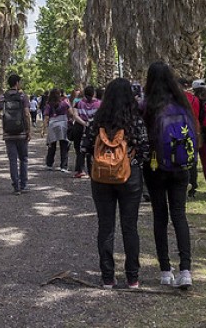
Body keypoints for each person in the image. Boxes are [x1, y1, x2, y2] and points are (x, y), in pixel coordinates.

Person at [80, 78, 149, 289]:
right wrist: (132, 161)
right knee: (130, 226)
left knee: (105, 226)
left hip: (101, 179)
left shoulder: (97, 121)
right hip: (130, 177)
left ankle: (107, 277)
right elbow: (145, 149)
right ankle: (132, 277)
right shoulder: (135, 120)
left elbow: (84, 147)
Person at [146, 63, 201, 289]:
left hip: (155, 167)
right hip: (181, 166)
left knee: (160, 216)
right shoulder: (183, 103)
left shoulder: (148, 105)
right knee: (179, 215)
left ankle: (165, 270)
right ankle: (186, 270)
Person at [1, 74, 32, 194]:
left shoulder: (2, 97)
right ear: (17, 83)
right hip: (22, 132)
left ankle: (16, 186)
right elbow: (27, 113)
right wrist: (29, 130)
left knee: (12, 160)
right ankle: (24, 185)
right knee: (23, 159)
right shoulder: (23, 96)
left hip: (8, 133)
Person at [71, 85, 100, 178]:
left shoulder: (78, 103)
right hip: (93, 128)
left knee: (79, 149)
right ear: (94, 93)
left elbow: (75, 115)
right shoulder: (99, 103)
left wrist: (84, 123)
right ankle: (92, 170)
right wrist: (90, 124)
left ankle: (81, 170)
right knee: (92, 148)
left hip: (79, 127)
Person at [44, 88, 73, 172]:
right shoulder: (64, 103)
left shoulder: (49, 104)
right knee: (64, 146)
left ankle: (49, 164)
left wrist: (44, 129)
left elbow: (46, 117)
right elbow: (71, 113)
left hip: (52, 125)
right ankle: (63, 166)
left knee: (51, 146)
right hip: (63, 125)